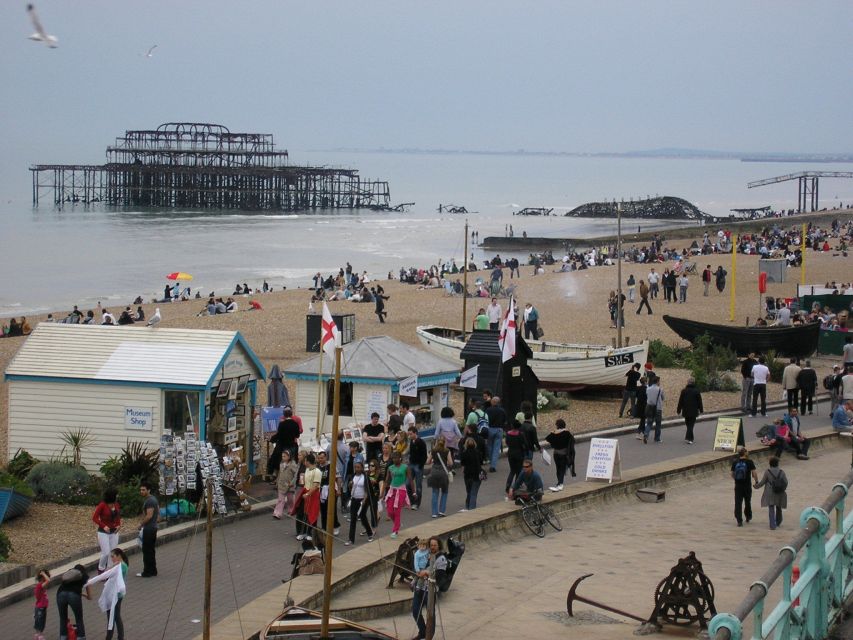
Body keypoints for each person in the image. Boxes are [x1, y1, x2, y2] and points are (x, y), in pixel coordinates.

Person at [85, 547, 128, 640]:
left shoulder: (122, 566)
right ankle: (113, 636)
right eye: (111, 557)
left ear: (119, 556)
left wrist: (113, 567)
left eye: (113, 556)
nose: (112, 559)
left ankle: (117, 637)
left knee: (115, 616)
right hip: (112, 595)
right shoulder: (118, 565)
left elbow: (107, 575)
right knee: (112, 616)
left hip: (116, 596)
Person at [411, 537, 448, 640]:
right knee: (415, 610)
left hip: (430, 590)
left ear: (438, 546)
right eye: (431, 545)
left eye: (435, 545)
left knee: (430, 614)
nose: (432, 547)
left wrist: (427, 572)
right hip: (420, 587)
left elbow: (440, 575)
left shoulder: (441, 559)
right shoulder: (425, 554)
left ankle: (429, 636)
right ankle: (422, 632)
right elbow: (418, 566)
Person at [57, 564, 90, 640]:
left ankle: (63, 637)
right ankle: (81, 637)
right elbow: (90, 596)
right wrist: (84, 595)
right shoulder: (85, 576)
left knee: (63, 618)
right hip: (74, 595)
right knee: (78, 618)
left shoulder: (68, 573)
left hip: (60, 593)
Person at [92, 487, 122, 573]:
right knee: (105, 552)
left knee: (112, 553)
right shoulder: (102, 505)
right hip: (103, 532)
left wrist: (119, 525)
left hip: (114, 532)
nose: (118, 496)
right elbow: (94, 518)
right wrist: (103, 526)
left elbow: (117, 517)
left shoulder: (116, 504)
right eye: (116, 495)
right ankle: (101, 568)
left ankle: (109, 571)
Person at [754, 457, 788, 530]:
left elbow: (763, 482)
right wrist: (782, 488)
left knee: (771, 508)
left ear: (770, 464)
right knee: (779, 507)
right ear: (777, 464)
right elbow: (786, 482)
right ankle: (778, 522)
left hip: (770, 492)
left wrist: (756, 486)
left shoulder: (767, 472)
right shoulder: (782, 472)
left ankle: (772, 525)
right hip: (779, 492)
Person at [345, 461, 374, 545]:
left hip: (362, 500)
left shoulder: (365, 477)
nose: (357, 469)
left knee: (362, 517)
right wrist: (350, 485)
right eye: (355, 467)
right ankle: (351, 539)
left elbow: (367, 491)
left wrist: (364, 501)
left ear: (362, 468)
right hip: (354, 499)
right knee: (353, 518)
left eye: (358, 467)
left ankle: (370, 533)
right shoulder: (353, 476)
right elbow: (350, 488)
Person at [268, 408, 301, 478]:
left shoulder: (282, 424)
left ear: (284, 415)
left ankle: (276, 477)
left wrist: (271, 439)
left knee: (277, 460)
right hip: (292, 446)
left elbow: (279, 435)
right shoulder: (295, 424)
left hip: (282, 446)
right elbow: (297, 435)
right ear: (291, 414)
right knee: (291, 462)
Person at [731, 447, 759, 527]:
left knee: (738, 503)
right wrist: (756, 481)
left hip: (738, 486)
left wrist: (736, 479)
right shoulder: (749, 462)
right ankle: (748, 516)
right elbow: (754, 473)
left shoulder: (735, 462)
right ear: (745, 453)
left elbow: (732, 474)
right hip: (747, 485)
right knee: (747, 501)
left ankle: (739, 520)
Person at [545, 419, 575, 491]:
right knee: (562, 469)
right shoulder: (567, 433)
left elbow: (547, 439)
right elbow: (573, 440)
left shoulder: (554, 433)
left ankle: (559, 482)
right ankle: (560, 483)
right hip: (564, 454)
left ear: (557, 425)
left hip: (556, 453)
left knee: (558, 468)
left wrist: (553, 433)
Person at [426, 437, 453, 518]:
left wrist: (433, 460)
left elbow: (428, 462)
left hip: (434, 472)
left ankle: (434, 512)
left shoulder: (433, 450)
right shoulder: (447, 451)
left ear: (437, 442)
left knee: (435, 492)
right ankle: (442, 511)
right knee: (444, 492)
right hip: (443, 473)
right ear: (444, 443)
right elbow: (450, 463)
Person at [136, 481, 159, 577]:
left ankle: (147, 571)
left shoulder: (150, 501)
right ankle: (153, 570)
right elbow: (158, 514)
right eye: (140, 490)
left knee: (147, 551)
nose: (141, 491)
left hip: (149, 528)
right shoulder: (153, 499)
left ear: (148, 490)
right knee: (151, 550)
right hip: (153, 527)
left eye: (143, 490)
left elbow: (149, 516)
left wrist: (141, 524)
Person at [676, 378, 703, 444]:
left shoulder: (684, 391)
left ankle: (689, 438)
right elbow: (699, 401)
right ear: (694, 383)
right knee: (691, 425)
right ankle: (690, 438)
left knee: (688, 424)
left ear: (687, 383)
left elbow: (680, 401)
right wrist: (701, 409)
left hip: (686, 410)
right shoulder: (697, 391)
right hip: (694, 411)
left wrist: (678, 410)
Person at [273, 449, 298, 520]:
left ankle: (291, 510)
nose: (283, 458)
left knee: (290, 500)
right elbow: (280, 474)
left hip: (290, 485)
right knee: (281, 500)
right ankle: (277, 513)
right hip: (281, 485)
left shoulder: (293, 465)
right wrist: (277, 482)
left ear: (289, 456)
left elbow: (296, 475)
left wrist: (292, 482)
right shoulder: (281, 465)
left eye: (284, 456)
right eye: (282, 456)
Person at [459, 437, 483, 511]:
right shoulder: (478, 452)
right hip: (477, 474)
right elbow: (481, 462)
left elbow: (463, 463)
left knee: (469, 491)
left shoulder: (464, 453)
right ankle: (472, 508)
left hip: (467, 474)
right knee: (474, 492)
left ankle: (468, 505)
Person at [485, 395, 507, 472]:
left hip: (490, 429)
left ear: (493, 402)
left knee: (489, 446)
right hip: (499, 429)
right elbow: (505, 421)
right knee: (496, 448)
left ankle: (491, 462)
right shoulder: (502, 410)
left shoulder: (488, 410)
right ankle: (493, 465)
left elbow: (485, 420)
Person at [504, 421, 526, 496]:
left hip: (511, 453)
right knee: (519, 471)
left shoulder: (508, 434)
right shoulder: (520, 434)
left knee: (512, 471)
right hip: (519, 454)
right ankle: (516, 486)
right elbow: (524, 444)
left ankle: (508, 485)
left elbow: (507, 442)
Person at [407, 426, 427, 510]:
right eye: (409, 434)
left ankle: (417, 503)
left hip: (418, 466)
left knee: (418, 485)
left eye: (411, 434)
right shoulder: (411, 441)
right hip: (411, 465)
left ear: (415, 433)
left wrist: (420, 465)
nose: (409, 436)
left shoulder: (421, 442)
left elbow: (424, 456)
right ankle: (412, 501)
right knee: (408, 484)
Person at [644, 375, 664, 443]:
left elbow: (647, 396)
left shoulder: (648, 388)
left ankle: (646, 435)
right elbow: (663, 398)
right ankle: (657, 438)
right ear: (657, 381)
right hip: (658, 408)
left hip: (649, 407)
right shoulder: (660, 389)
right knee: (658, 424)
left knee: (649, 423)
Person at [33, 568, 50, 640]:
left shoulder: (40, 586)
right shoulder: (40, 586)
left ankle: (37, 635)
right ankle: (40, 636)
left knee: (38, 621)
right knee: (41, 621)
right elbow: (48, 580)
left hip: (39, 607)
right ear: (43, 578)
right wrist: (43, 574)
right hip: (41, 607)